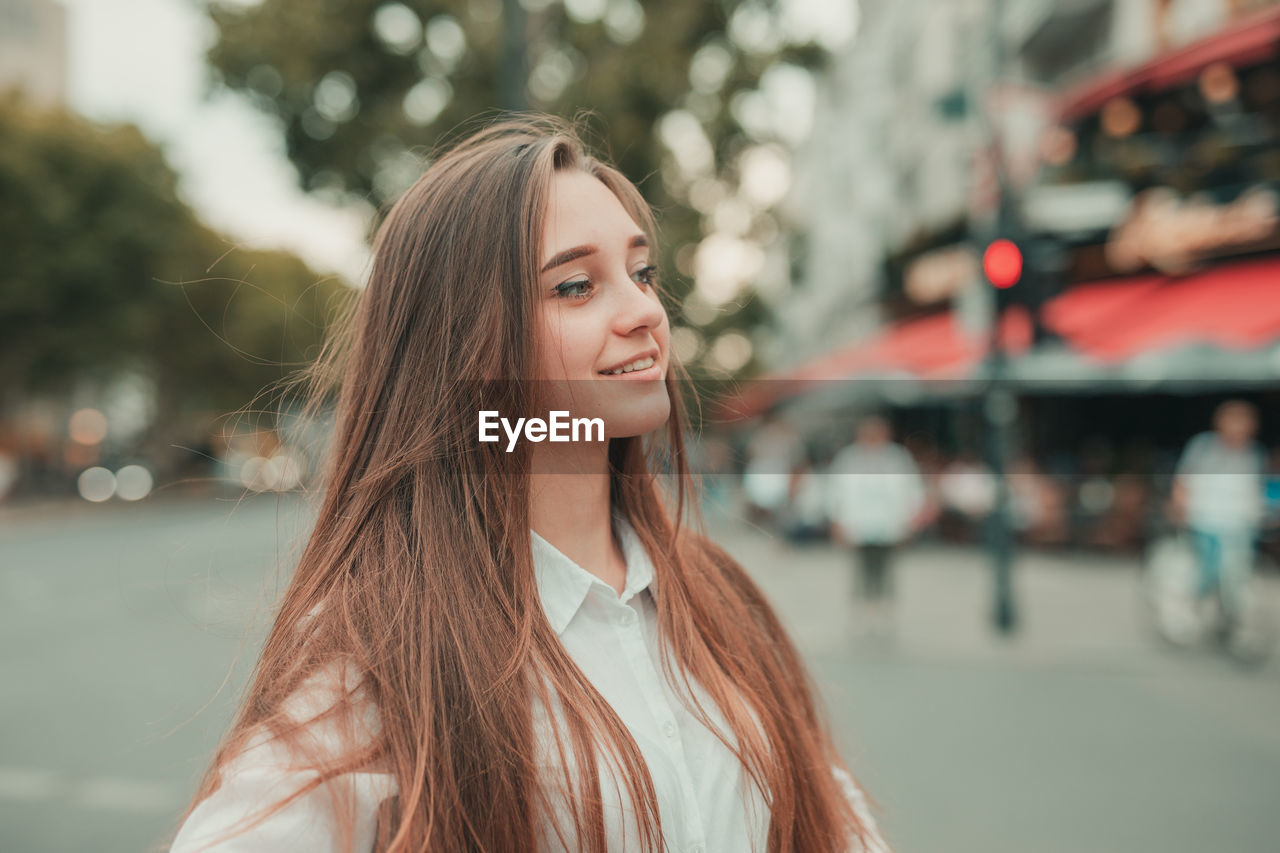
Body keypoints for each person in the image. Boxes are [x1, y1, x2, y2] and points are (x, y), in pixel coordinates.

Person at [168, 115, 890, 853]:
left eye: (642, 273)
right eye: (576, 286)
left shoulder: (721, 598)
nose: (645, 312)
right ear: (464, 341)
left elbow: (840, 828)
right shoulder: (387, 652)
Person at [825, 416, 925, 642]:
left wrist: (909, 521)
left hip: (889, 525)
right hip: (858, 525)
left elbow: (912, 491)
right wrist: (837, 522)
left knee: (886, 572)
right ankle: (863, 614)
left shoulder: (897, 458)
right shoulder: (849, 458)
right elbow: (835, 491)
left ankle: (884, 614)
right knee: (861, 572)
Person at [1171, 399, 1266, 636]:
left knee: (1236, 575)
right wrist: (1181, 506)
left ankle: (1233, 621)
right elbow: (1183, 480)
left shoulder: (1254, 453)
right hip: (1206, 519)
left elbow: (1255, 488)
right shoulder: (1203, 447)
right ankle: (1188, 610)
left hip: (1239, 523)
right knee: (1208, 570)